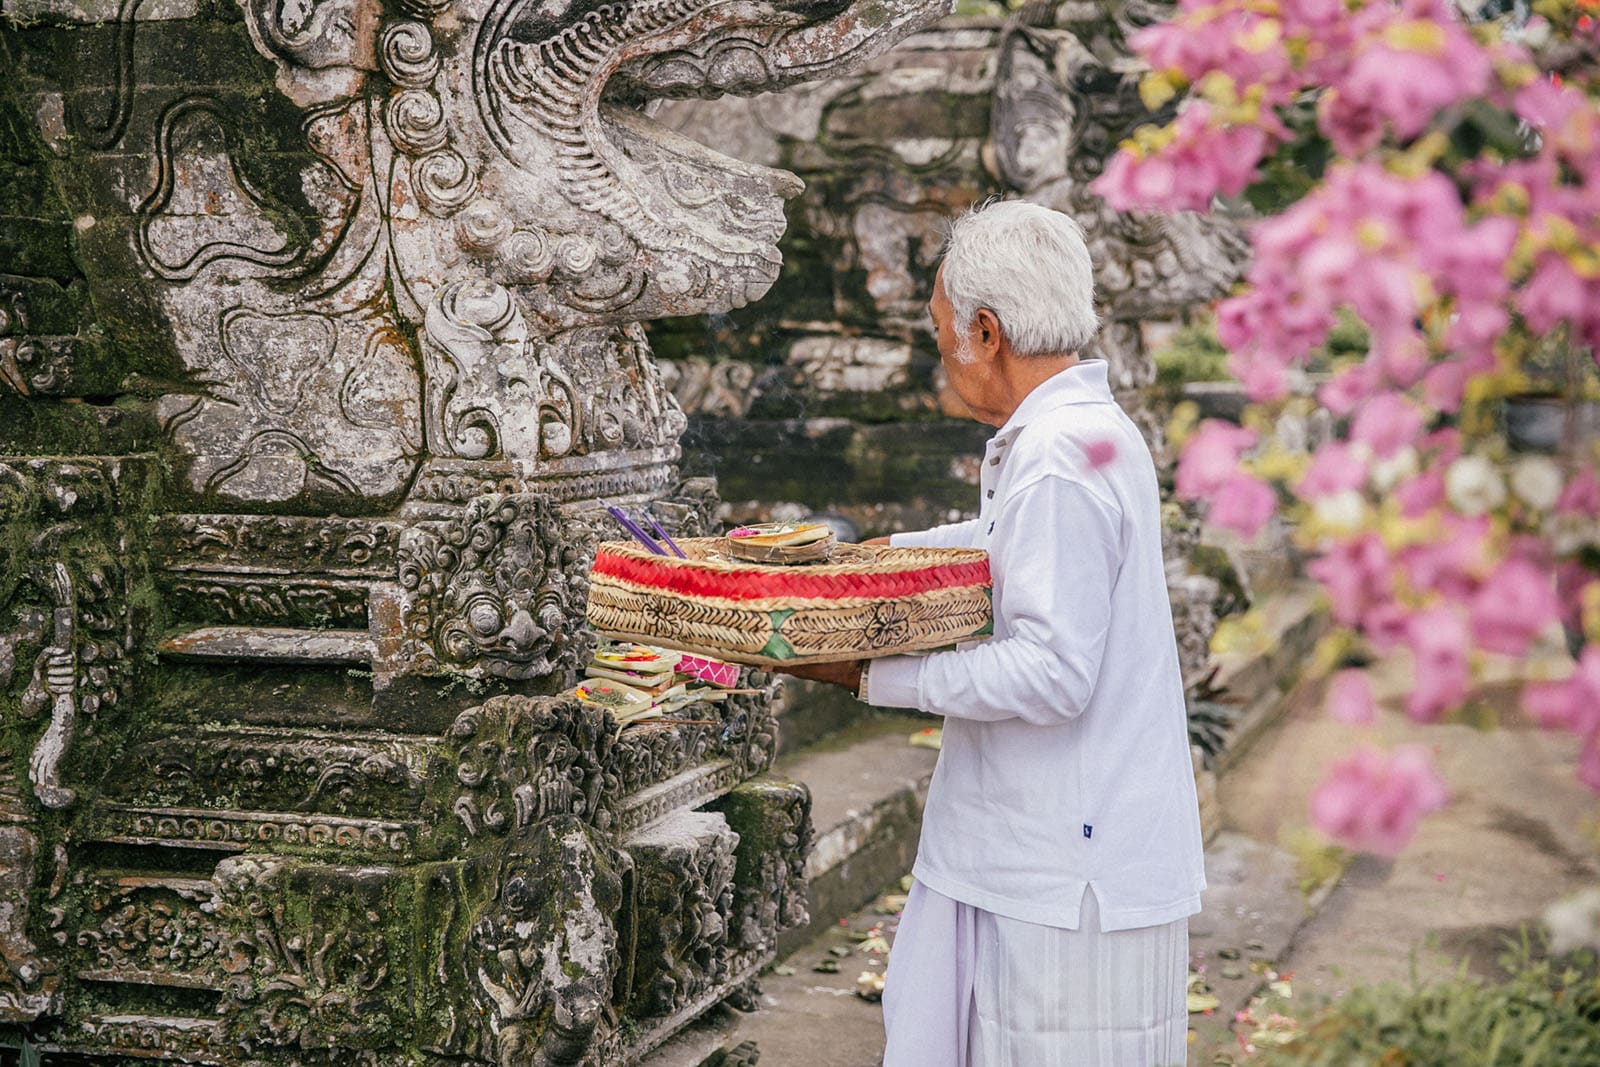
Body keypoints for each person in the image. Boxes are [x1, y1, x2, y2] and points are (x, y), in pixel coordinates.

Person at [777, 199, 1204, 1067]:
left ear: (985, 329)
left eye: (943, 338)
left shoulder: (1056, 453)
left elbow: (1052, 673)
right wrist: (867, 558)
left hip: (1063, 870)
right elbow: (1007, 545)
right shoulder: (1088, 434)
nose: (945, 361)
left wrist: (868, 676)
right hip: (1053, 851)